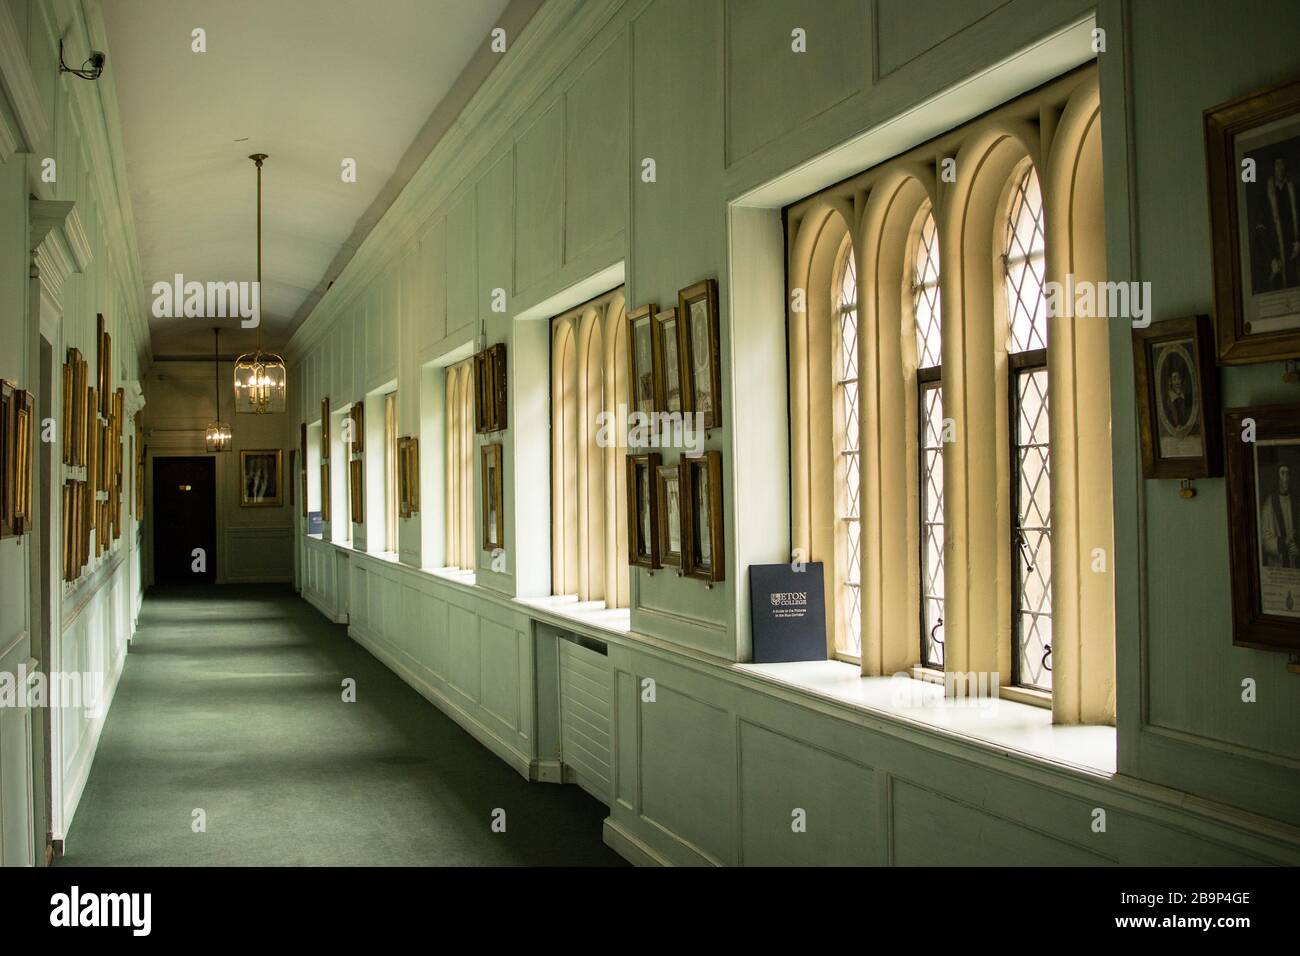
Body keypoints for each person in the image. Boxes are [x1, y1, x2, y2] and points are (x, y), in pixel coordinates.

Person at [1260, 461, 1300, 568]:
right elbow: (1265, 540)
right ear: (1277, 477)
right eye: (1282, 473)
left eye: (1288, 473)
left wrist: (1298, 549)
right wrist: (1283, 543)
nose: (1286, 477)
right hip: (1278, 565)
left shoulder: (1296, 501)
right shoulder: (1269, 505)